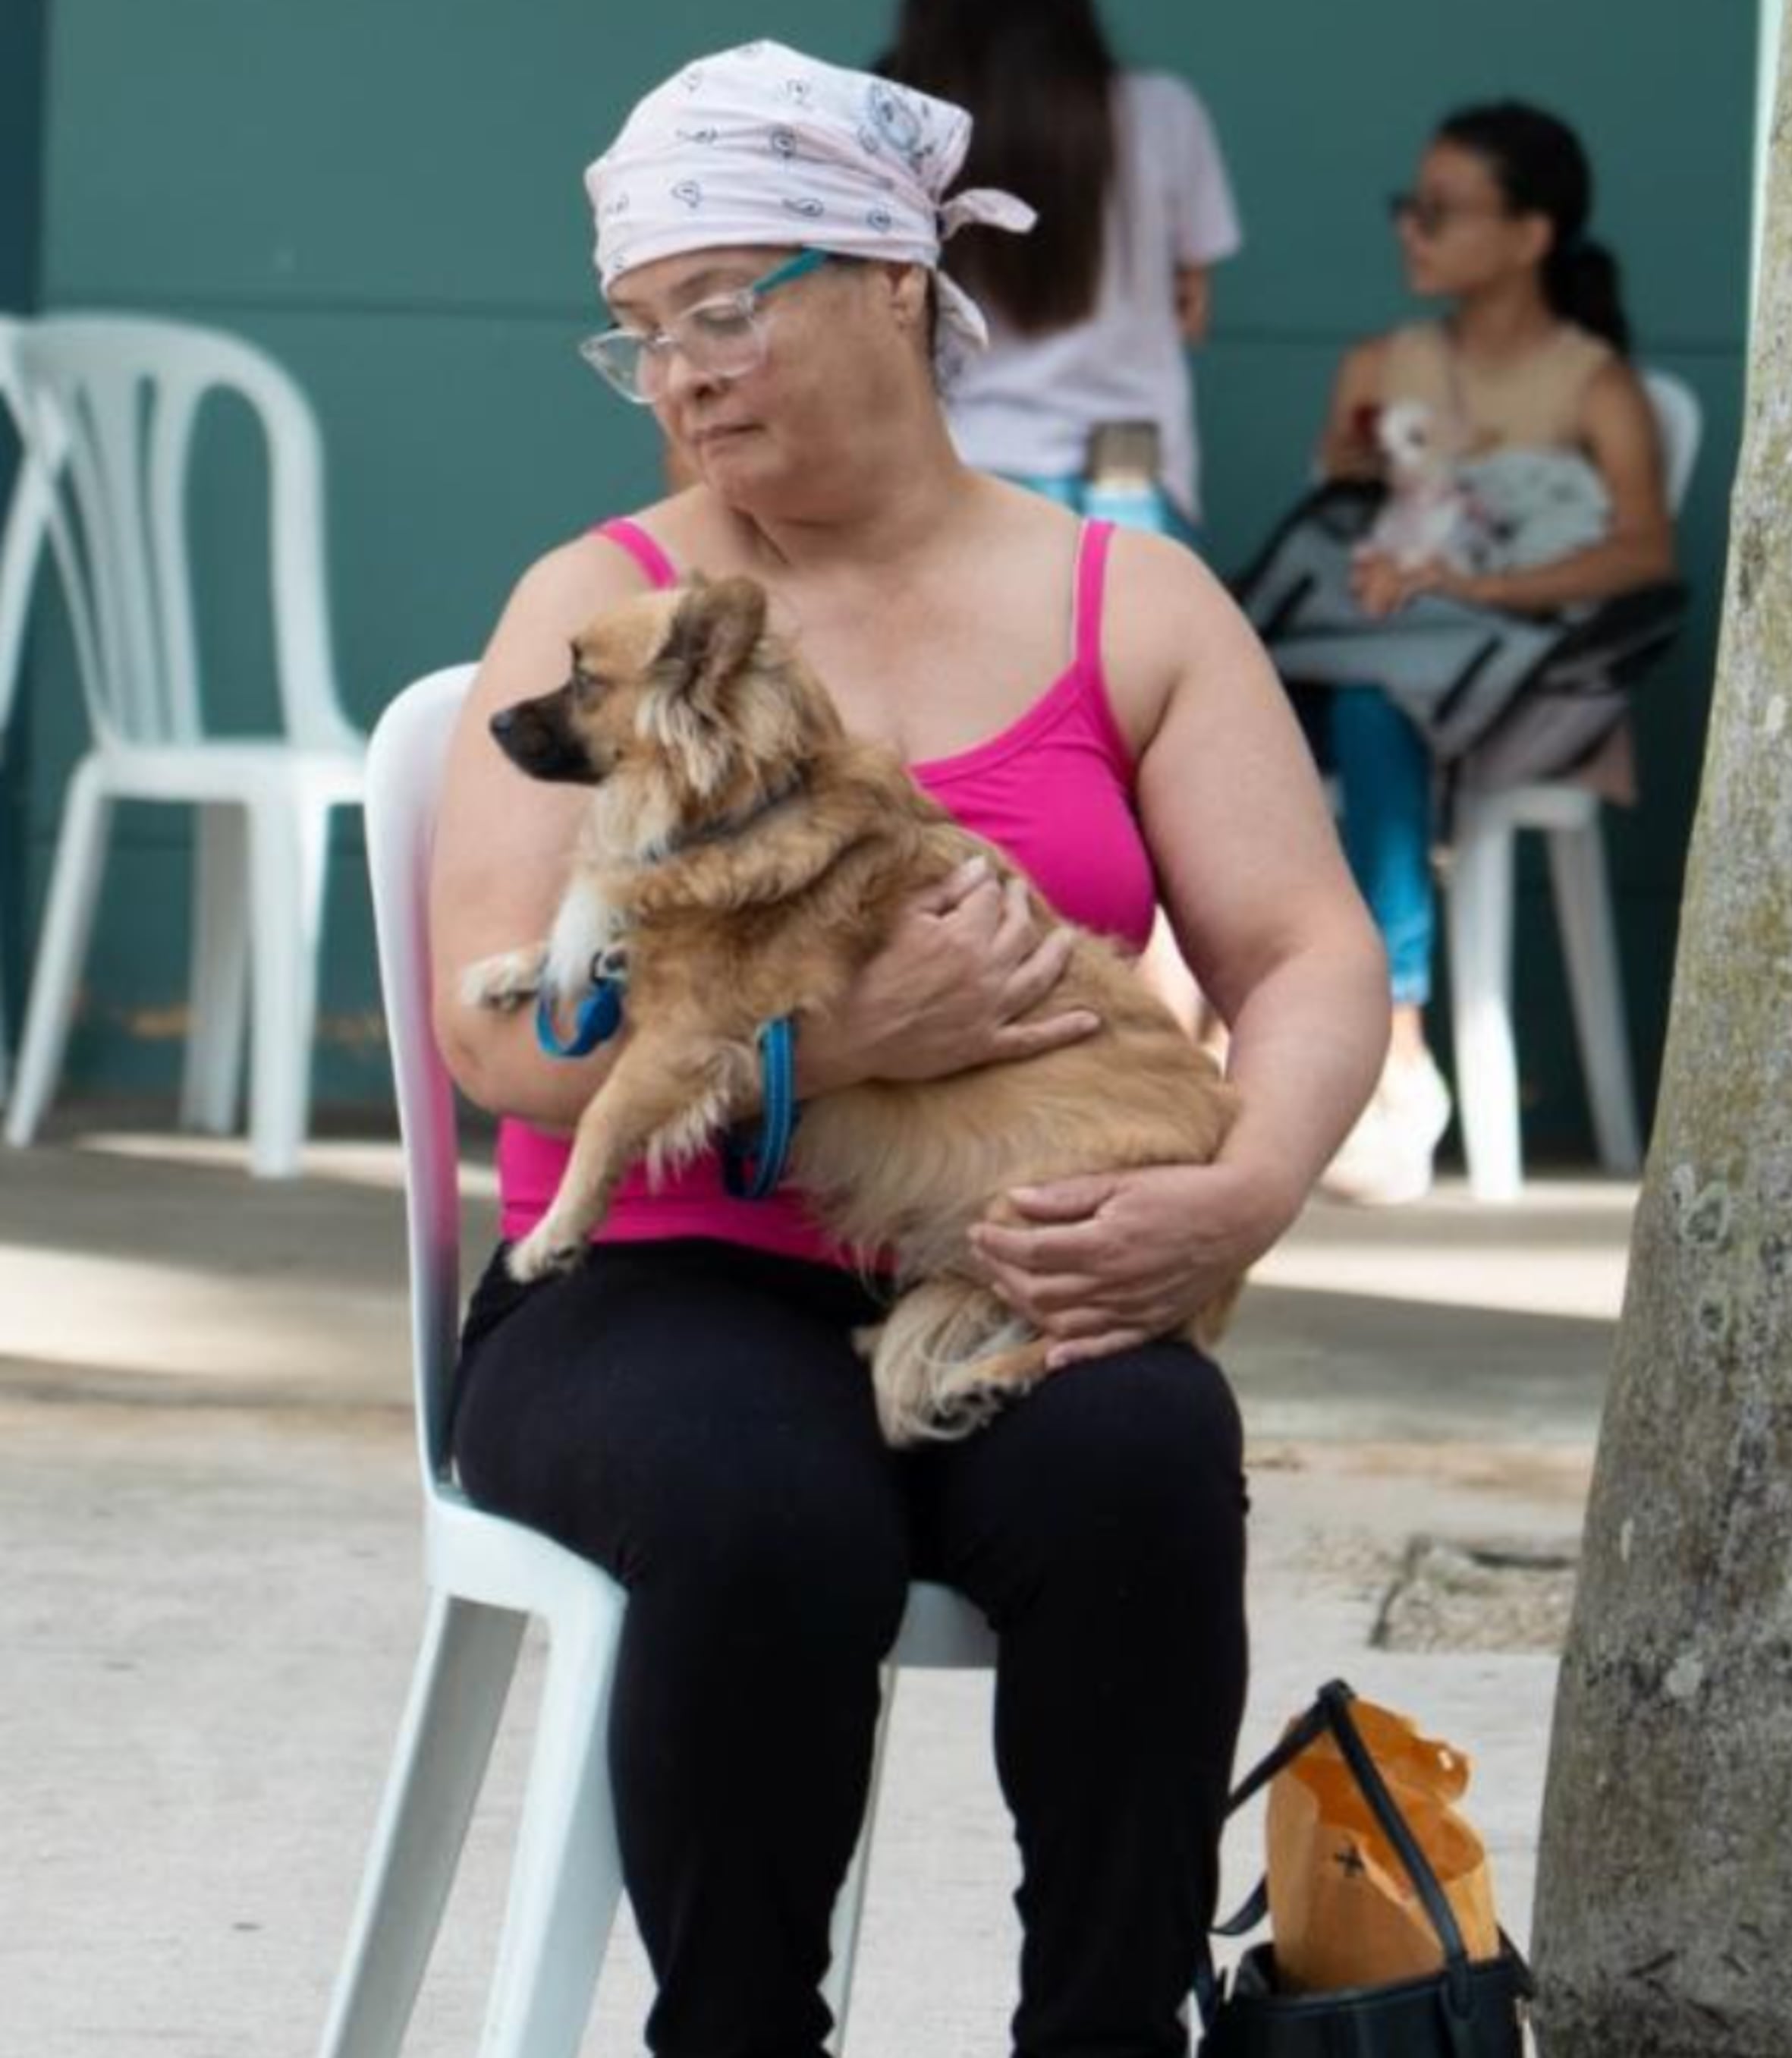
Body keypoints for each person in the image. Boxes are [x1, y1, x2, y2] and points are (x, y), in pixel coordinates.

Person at [429, 41, 1387, 2058]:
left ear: (892, 283)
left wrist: (1239, 1191)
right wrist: (820, 1043)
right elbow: (497, 1033)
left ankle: (1111, 2037)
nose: (684, 368)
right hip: (642, 1286)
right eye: (640, 331)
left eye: (725, 304)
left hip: (1000, 1264)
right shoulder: (599, 606)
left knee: (1143, 1460)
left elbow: (1307, 951)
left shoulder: (1131, 602)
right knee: (767, 1507)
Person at [1309, 101, 1675, 1205]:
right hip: (1388, 660)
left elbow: (1644, 555)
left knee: (1375, 712)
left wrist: (1476, 586)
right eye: (1406, 210)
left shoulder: (1592, 381)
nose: (1410, 232)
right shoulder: (1383, 363)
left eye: (1440, 211)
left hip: (1521, 691)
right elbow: (1333, 527)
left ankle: (1394, 1049)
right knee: (1263, 715)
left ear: (1530, 233)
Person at [878, 0, 1240, 538]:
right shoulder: (1164, 113)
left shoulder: (892, 127)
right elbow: (1191, 314)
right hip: (1134, 493)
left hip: (954, 484)